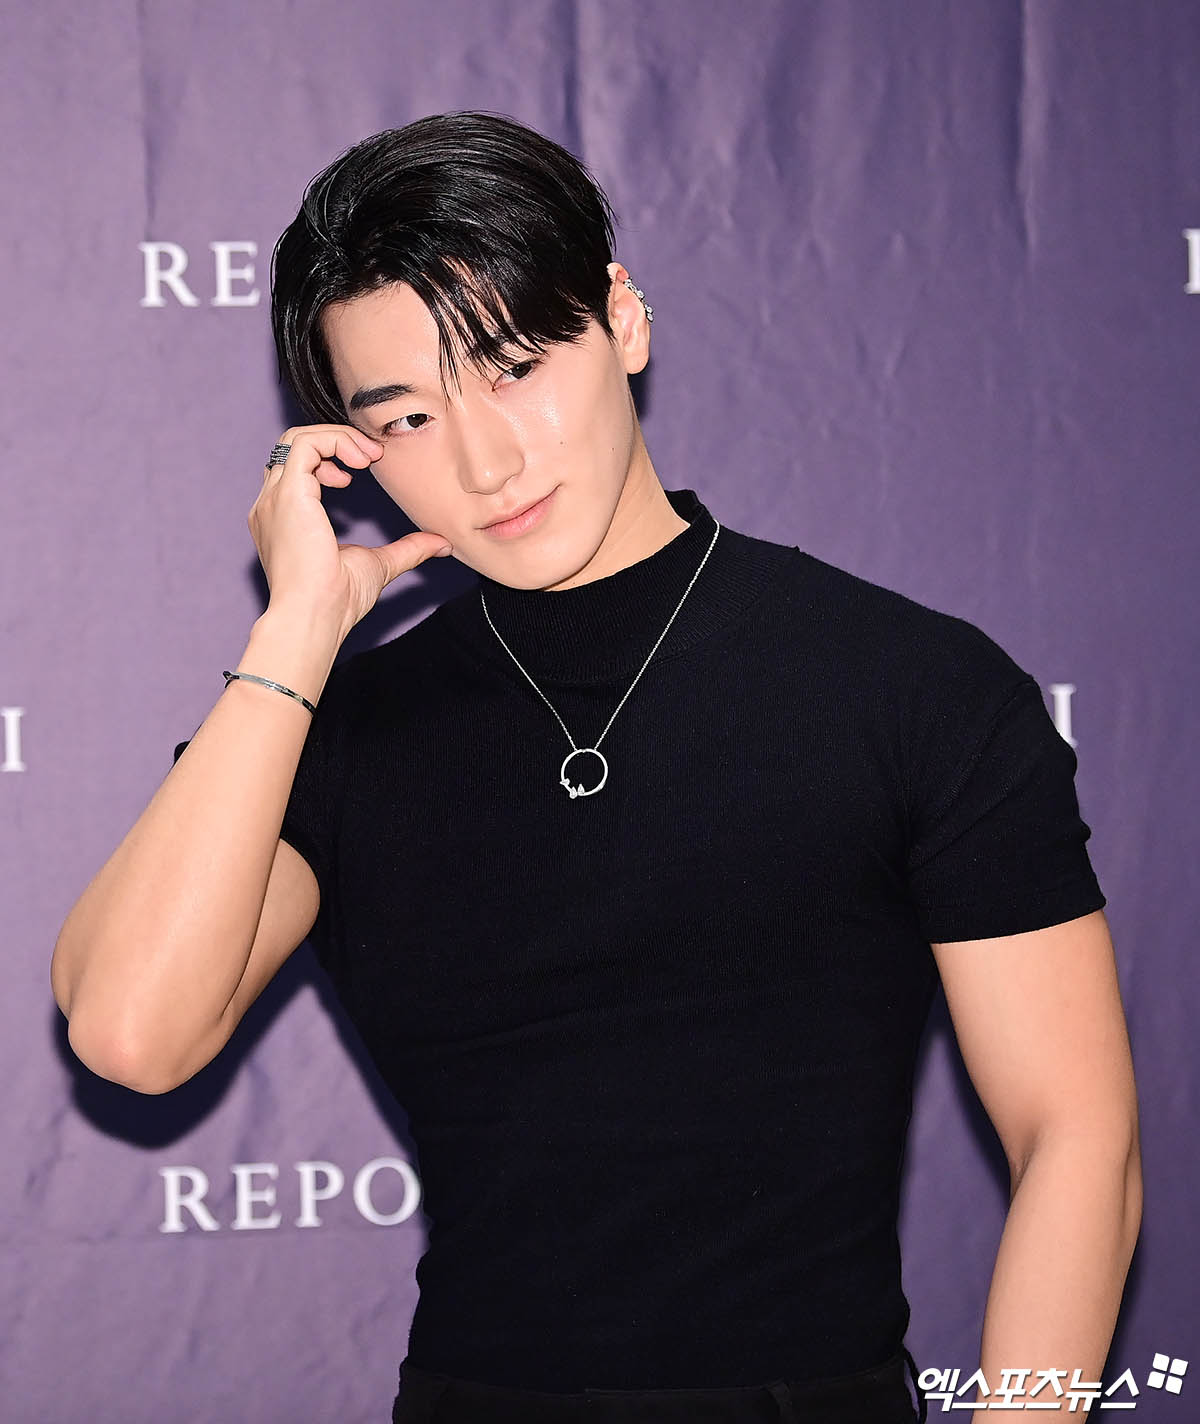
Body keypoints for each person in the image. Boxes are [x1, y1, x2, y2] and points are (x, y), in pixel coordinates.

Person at [52, 111, 1142, 1424]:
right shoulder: (346, 732)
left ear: (622, 319)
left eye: (515, 365)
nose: (486, 461)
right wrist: (294, 634)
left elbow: (1077, 1140)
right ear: (346, 448)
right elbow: (130, 1035)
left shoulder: (908, 685)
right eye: (408, 416)